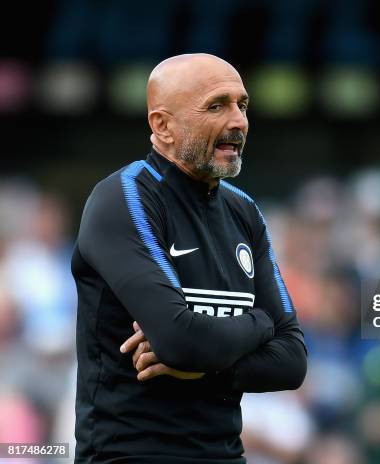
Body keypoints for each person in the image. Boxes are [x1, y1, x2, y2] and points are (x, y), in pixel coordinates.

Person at [71, 54, 307, 463]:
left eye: (242, 105)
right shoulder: (124, 199)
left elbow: (292, 361)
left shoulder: (243, 211)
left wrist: (208, 363)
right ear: (162, 125)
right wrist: (258, 323)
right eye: (217, 106)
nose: (238, 121)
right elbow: (180, 340)